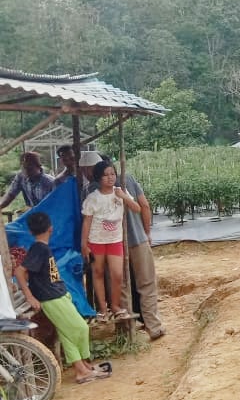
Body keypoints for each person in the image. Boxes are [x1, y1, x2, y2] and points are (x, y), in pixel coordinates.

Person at [14, 212, 112, 384]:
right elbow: (20, 271)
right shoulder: (39, 249)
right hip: (52, 298)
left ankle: (83, 368)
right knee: (81, 328)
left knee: (67, 334)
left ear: (30, 232)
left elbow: (30, 273)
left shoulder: (41, 248)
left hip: (57, 294)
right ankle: (82, 369)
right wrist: (30, 296)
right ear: (51, 228)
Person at [81, 160, 141, 321]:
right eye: (106, 175)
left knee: (117, 274)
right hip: (96, 241)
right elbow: (87, 222)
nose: (110, 178)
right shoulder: (93, 198)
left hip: (115, 240)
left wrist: (124, 197)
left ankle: (115, 306)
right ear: (98, 178)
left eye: (112, 174)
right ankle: (102, 309)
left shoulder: (121, 192)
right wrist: (84, 244)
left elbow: (137, 209)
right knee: (98, 273)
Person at [119, 170, 165, 340]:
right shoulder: (127, 179)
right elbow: (144, 205)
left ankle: (126, 330)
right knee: (146, 284)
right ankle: (153, 326)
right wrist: (146, 232)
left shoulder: (92, 188)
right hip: (138, 239)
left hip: (114, 247)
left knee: (123, 287)